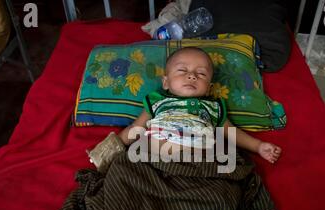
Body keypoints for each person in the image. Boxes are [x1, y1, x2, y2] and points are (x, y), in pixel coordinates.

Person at [118, 47, 282, 164]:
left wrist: (258, 146)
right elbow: (136, 128)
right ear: (166, 82)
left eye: (201, 73)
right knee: (126, 174)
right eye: (182, 70)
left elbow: (231, 133)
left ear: (209, 88)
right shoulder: (157, 101)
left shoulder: (212, 107)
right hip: (155, 162)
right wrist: (111, 147)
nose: (191, 76)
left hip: (199, 166)